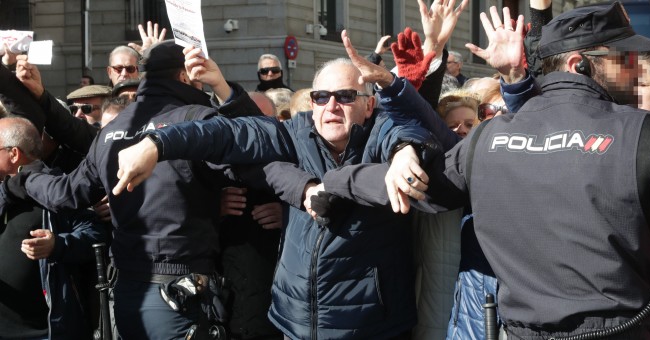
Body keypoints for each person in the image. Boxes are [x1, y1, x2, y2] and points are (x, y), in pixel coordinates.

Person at [111, 28, 457, 339]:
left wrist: (404, 151)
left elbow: (409, 132)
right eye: (321, 97)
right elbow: (230, 133)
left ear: (368, 106)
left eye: (345, 96)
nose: (331, 106)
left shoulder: (382, 132)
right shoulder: (292, 133)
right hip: (293, 323)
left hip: (371, 324)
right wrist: (158, 144)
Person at [387, 3, 650, 338]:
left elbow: (551, 118)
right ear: (581, 64)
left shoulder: (641, 135)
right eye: (625, 60)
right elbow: (427, 167)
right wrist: (402, 148)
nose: (634, 72)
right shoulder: (488, 143)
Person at [0, 40, 251, 339]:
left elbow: (66, 193)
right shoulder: (198, 119)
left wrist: (27, 176)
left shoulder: (112, 131)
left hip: (133, 292)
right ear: (185, 76)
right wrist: (223, 89)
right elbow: (258, 147)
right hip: (176, 289)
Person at [0, 116, 106, 340]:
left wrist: (57, 244)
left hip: (45, 331)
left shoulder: (58, 191)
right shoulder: (4, 191)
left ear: (14, 153)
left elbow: (96, 236)